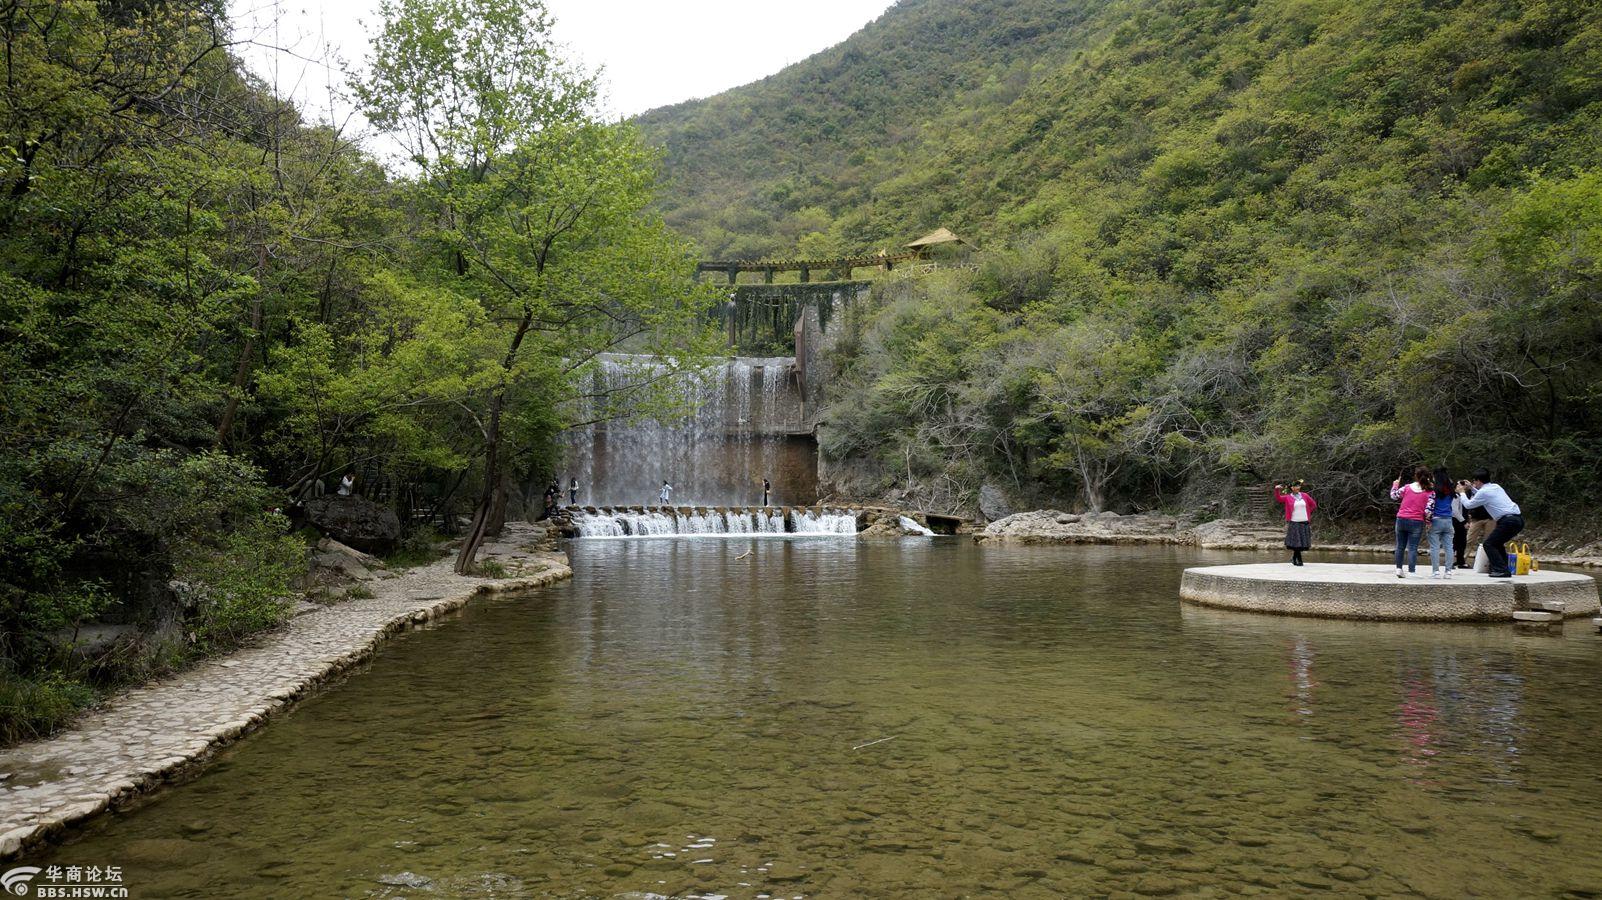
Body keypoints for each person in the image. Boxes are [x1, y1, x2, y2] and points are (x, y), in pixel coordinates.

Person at [1458, 469, 1523, 578]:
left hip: (1508, 521)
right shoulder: (1496, 487)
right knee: (1497, 543)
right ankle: (1503, 568)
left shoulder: (1484, 492)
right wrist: (1472, 488)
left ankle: (1501, 569)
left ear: (1478, 481)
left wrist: (1462, 493)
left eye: (1474, 482)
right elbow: (1484, 495)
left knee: (1489, 544)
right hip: (1517, 519)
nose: (1474, 483)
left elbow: (1468, 505)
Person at [1390, 466, 1431, 578]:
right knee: (1412, 547)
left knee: (1400, 546)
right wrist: (1428, 522)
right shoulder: (1429, 491)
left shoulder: (1407, 487)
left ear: (1416, 476)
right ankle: (1411, 572)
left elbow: (1394, 496)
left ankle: (1399, 569)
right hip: (1416, 521)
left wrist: (1395, 485)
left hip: (1401, 519)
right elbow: (1428, 510)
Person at [1272, 481, 1316, 566]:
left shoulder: (1305, 495)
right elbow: (1279, 499)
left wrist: (1307, 513)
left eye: (1299, 486)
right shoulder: (1288, 497)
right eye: (1296, 486)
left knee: (1301, 543)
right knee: (1297, 543)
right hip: (1294, 522)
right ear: (1291, 488)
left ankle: (1294, 558)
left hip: (1304, 522)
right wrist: (1277, 490)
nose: (1298, 487)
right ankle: (1299, 560)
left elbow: (1313, 505)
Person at [1426, 473, 1456, 579]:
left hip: (1436, 521)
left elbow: (1429, 508)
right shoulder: (1451, 493)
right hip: (1448, 520)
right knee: (1449, 547)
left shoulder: (1434, 493)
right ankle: (1448, 572)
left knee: (1435, 547)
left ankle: (1436, 572)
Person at [1459, 480, 1494, 568]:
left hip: (1489, 518)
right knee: (1469, 539)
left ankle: (1489, 563)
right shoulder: (1469, 493)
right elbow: (1466, 505)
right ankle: (1462, 560)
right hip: (1476, 519)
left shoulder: (1486, 492)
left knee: (1489, 540)